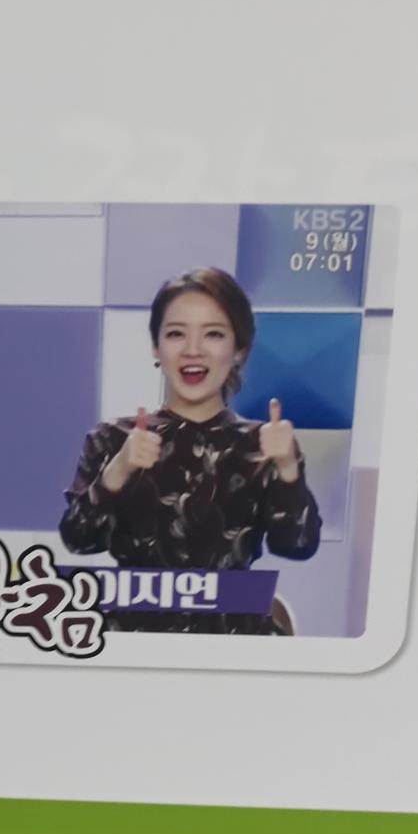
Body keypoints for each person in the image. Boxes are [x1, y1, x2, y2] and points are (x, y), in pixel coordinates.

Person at [59, 267, 321, 634]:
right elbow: (78, 540)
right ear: (156, 347)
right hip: (133, 641)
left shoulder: (264, 443)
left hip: (234, 642)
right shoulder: (113, 438)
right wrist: (118, 471)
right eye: (176, 334)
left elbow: (298, 545)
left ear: (239, 349)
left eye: (213, 334)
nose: (193, 350)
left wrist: (288, 470)